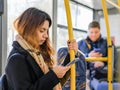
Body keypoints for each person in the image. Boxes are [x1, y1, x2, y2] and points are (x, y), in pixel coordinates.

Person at [5, 7, 78, 90]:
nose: (46, 35)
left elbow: (53, 83)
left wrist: (71, 54)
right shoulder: (17, 59)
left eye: (47, 31)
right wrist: (53, 75)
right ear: (29, 29)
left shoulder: (37, 54)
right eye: (42, 30)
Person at [78, 21, 108, 90]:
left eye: (96, 32)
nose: (94, 35)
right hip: (85, 75)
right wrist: (88, 56)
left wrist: (103, 64)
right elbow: (76, 59)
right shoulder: (80, 44)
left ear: (100, 31)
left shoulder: (107, 44)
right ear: (88, 32)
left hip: (101, 75)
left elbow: (114, 61)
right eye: (91, 32)